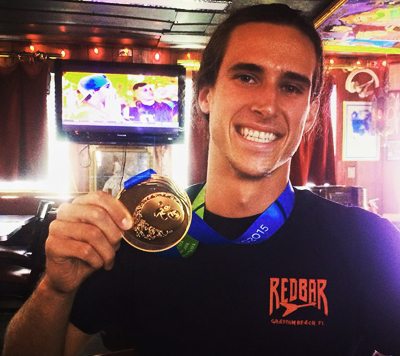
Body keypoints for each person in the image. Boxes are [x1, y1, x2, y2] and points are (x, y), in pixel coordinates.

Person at [3, 4, 400, 356]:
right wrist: (54, 290)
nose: (267, 105)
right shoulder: (143, 229)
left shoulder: (368, 242)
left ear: (310, 113)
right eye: (247, 77)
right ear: (206, 95)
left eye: (291, 86)